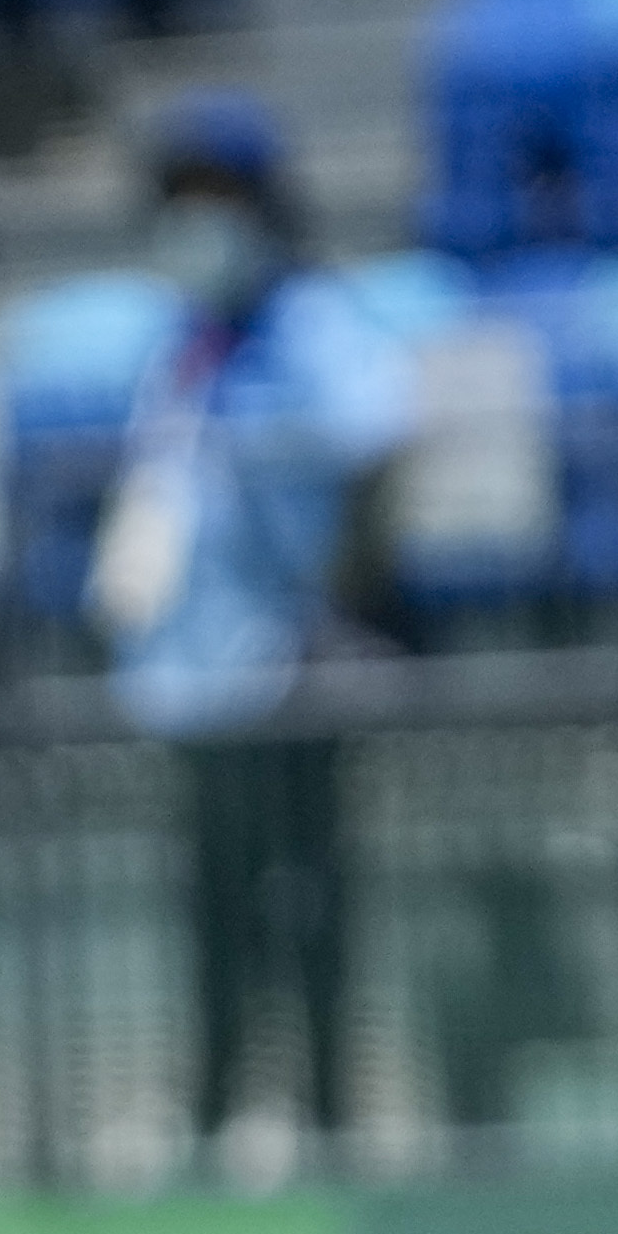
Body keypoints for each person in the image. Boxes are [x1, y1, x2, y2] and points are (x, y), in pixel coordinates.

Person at [91, 99, 419, 1179]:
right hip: (187, 673)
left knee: (307, 900)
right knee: (212, 907)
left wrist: (338, 587)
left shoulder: (314, 324)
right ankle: (215, 1111)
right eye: (179, 203)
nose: (198, 226)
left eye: (217, 202)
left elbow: (381, 444)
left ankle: (324, 1118)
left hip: (282, 667)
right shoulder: (182, 345)